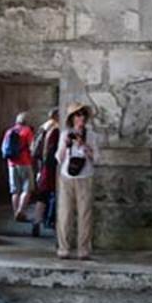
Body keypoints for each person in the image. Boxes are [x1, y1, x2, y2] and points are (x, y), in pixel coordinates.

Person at [55, 103, 99, 260]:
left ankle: (84, 250)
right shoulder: (65, 134)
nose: (81, 118)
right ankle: (64, 248)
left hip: (85, 177)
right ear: (71, 118)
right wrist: (66, 145)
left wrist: (84, 145)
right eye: (77, 115)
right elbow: (59, 159)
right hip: (66, 177)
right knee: (64, 213)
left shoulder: (92, 135)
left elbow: (97, 158)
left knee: (85, 214)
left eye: (83, 115)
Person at [30, 109, 60, 237]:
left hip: (42, 165)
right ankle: (52, 221)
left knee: (42, 196)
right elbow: (54, 151)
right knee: (55, 194)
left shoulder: (43, 127)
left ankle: (37, 221)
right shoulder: (56, 130)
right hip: (52, 167)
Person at [2, 112, 35, 221]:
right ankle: (21, 211)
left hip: (11, 163)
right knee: (27, 188)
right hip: (25, 162)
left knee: (15, 190)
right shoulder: (27, 131)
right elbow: (32, 147)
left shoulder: (9, 131)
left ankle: (15, 212)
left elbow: (3, 148)